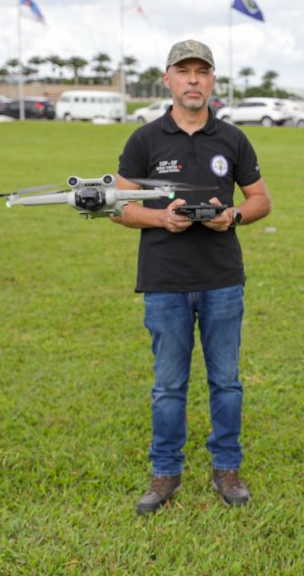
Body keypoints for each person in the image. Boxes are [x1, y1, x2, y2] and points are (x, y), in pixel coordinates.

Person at [112, 39, 272, 514]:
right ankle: (165, 473)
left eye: (203, 71)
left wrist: (234, 217)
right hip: (164, 280)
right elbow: (119, 208)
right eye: (185, 71)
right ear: (168, 79)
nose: (194, 80)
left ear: (213, 81)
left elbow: (261, 198)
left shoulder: (232, 138)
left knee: (226, 381)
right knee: (168, 385)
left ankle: (227, 468)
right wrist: (163, 219)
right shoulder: (145, 139)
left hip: (222, 277)